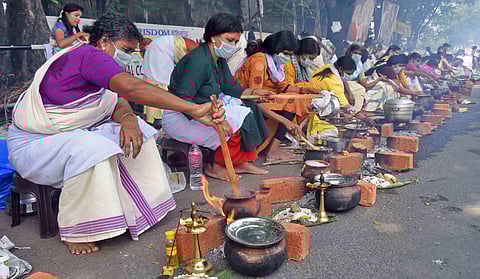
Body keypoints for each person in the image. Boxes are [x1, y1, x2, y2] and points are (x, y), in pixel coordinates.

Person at [7, 14, 224, 255]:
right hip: (34, 142)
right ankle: (79, 229)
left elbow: (117, 102)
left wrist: (130, 119)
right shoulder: (88, 56)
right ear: (103, 42)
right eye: (125, 49)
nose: (128, 56)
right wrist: (192, 108)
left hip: (70, 134)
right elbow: (131, 88)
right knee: (93, 148)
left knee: (141, 131)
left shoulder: (96, 60)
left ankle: (144, 209)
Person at [165, 13, 275, 181]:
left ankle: (240, 161)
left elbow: (229, 86)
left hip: (203, 110)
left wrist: (255, 93)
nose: (233, 45)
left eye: (236, 42)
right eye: (230, 40)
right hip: (180, 116)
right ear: (213, 37)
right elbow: (182, 99)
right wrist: (212, 119)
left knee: (247, 109)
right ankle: (215, 166)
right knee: (231, 124)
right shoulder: (199, 60)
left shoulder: (218, 58)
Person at [235, 30, 323, 161]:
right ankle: (273, 150)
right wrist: (285, 121)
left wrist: (307, 90)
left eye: (290, 55)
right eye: (286, 54)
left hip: (263, 98)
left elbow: (284, 87)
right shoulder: (259, 61)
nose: (287, 58)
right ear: (277, 48)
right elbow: (254, 99)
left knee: (294, 97)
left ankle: (274, 148)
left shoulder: (274, 63)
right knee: (292, 102)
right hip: (245, 101)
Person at [142, 36, 199, 124]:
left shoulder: (176, 43)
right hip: (160, 56)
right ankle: (162, 119)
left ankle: (155, 118)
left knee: (155, 86)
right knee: (164, 88)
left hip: (155, 54)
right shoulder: (192, 48)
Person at [306, 57, 358, 140]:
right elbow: (345, 106)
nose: (346, 76)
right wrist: (362, 116)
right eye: (346, 73)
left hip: (315, 102)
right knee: (333, 131)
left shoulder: (327, 68)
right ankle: (315, 138)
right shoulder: (333, 81)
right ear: (340, 69)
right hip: (313, 108)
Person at [343, 44, 389, 112]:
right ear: (350, 52)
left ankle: (355, 112)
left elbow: (365, 85)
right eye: (355, 53)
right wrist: (349, 93)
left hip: (352, 88)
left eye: (359, 54)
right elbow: (341, 78)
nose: (357, 55)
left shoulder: (359, 66)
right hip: (340, 85)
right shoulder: (342, 62)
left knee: (361, 89)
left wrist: (379, 79)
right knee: (359, 89)